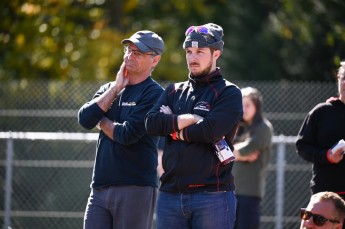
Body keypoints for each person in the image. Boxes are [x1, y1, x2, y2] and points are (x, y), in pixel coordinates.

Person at [145, 23, 243, 229]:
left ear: (216, 53)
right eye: (189, 52)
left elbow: (210, 131)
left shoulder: (229, 93)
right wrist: (192, 118)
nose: (192, 57)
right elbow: (151, 123)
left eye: (200, 51)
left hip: (212, 196)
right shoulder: (173, 91)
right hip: (170, 195)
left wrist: (172, 125)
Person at [78, 30, 164, 229]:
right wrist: (115, 89)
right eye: (129, 50)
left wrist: (101, 119)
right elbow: (84, 119)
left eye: (138, 53)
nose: (129, 56)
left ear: (155, 60)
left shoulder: (155, 94)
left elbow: (127, 134)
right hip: (99, 187)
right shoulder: (110, 88)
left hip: (135, 187)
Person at [296, 61, 345, 201]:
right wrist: (327, 156)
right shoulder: (322, 111)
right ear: (338, 80)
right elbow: (302, 146)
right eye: (343, 78)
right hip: (326, 192)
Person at [232, 87, 273, 229]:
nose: (244, 109)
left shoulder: (263, 128)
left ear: (257, 106)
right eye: (241, 105)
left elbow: (231, 153)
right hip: (229, 193)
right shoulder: (237, 127)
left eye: (247, 105)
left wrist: (233, 153)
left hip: (249, 195)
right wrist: (240, 156)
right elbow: (221, 152)